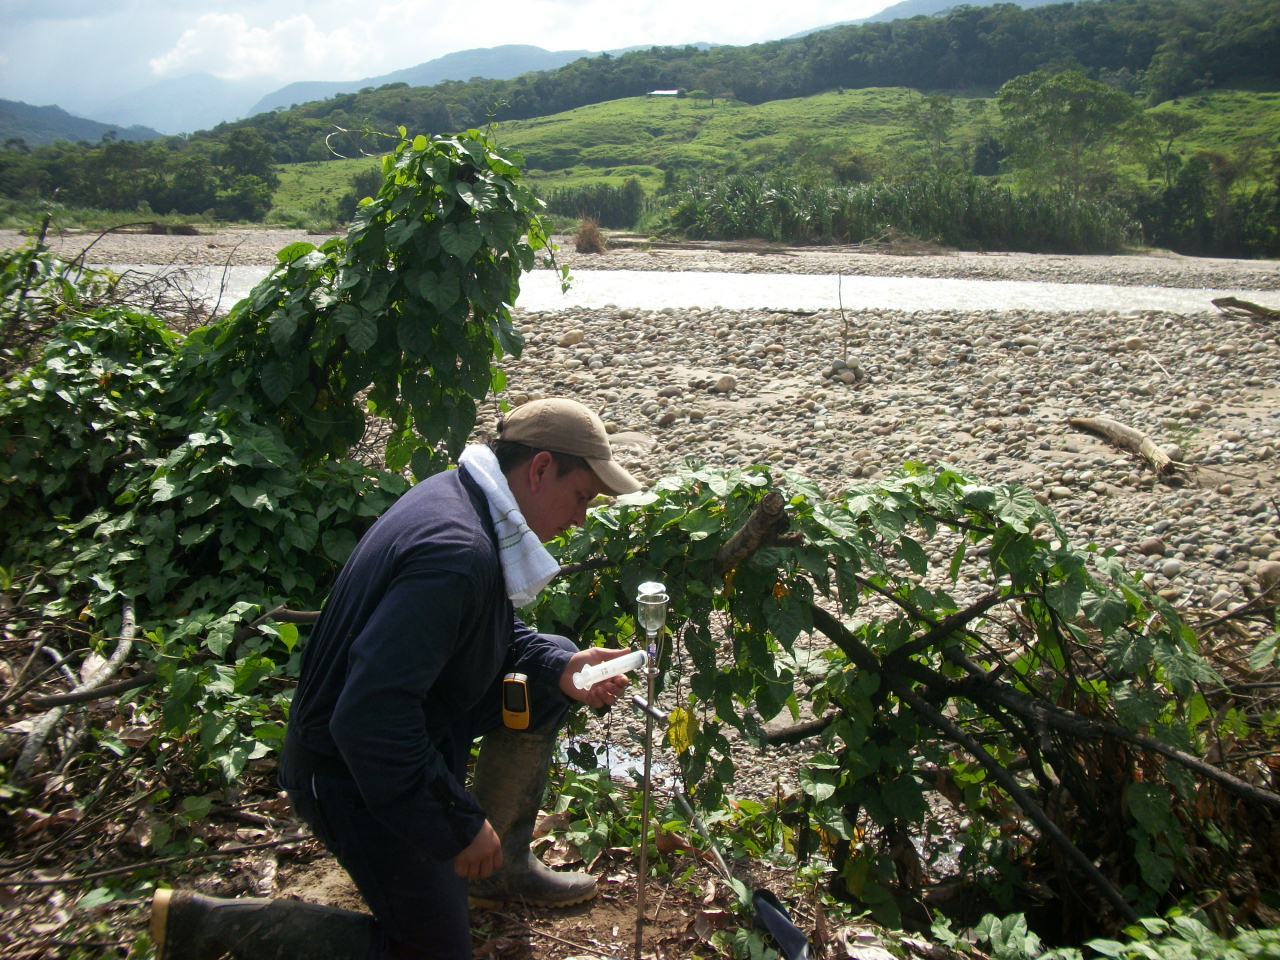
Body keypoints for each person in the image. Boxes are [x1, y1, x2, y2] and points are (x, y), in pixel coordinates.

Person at [148, 398, 645, 960]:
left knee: (550, 662)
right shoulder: (456, 553)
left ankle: (495, 869)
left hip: (404, 730)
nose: (580, 518)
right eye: (581, 497)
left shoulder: (467, 499)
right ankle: (206, 925)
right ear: (539, 469)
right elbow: (369, 720)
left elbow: (486, 628)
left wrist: (562, 668)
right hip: (347, 772)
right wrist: (455, 822)